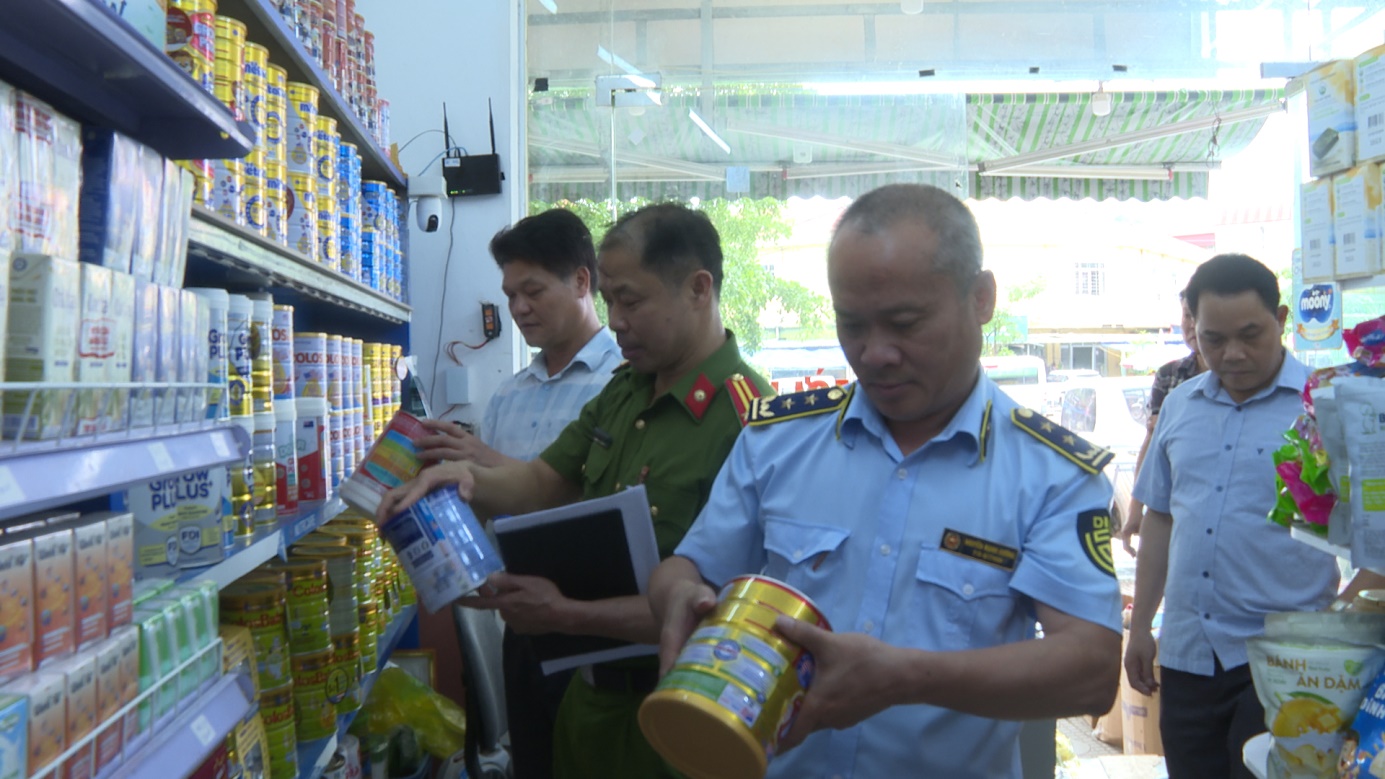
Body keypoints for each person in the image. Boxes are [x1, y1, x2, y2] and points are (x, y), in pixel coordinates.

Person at [649, 184, 1123, 779]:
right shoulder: (777, 442)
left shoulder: (1051, 473)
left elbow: (1091, 670)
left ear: (981, 298)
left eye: (904, 323)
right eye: (851, 325)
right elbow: (689, 568)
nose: (874, 354)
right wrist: (676, 596)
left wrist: (907, 676)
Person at [377, 202, 771, 779]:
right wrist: (462, 478)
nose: (616, 321)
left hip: (676, 710)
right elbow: (540, 482)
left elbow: (722, 607)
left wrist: (567, 615)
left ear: (698, 289)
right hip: (585, 703)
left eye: (630, 301)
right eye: (610, 301)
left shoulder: (752, 422)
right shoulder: (624, 392)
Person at [1124, 253, 1385, 779]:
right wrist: (1142, 628)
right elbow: (1161, 518)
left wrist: (1334, 632)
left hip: (1289, 662)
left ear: (1281, 320)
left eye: (1250, 335)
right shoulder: (1180, 406)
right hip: (1188, 655)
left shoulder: (1330, 405)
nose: (1233, 354)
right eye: (1213, 339)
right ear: (1193, 329)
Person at [412, 208, 622, 779]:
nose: (519, 308)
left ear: (581, 281)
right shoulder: (510, 395)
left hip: (596, 627)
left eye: (533, 291)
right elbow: (492, 506)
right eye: (510, 295)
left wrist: (482, 462)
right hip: (520, 624)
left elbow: (588, 503)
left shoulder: (619, 385)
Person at [1121, 290, 1205, 556]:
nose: (1192, 324)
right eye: (1187, 315)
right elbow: (1152, 442)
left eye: (1199, 315)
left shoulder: (1238, 378)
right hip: (1174, 512)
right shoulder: (1170, 375)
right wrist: (1136, 509)